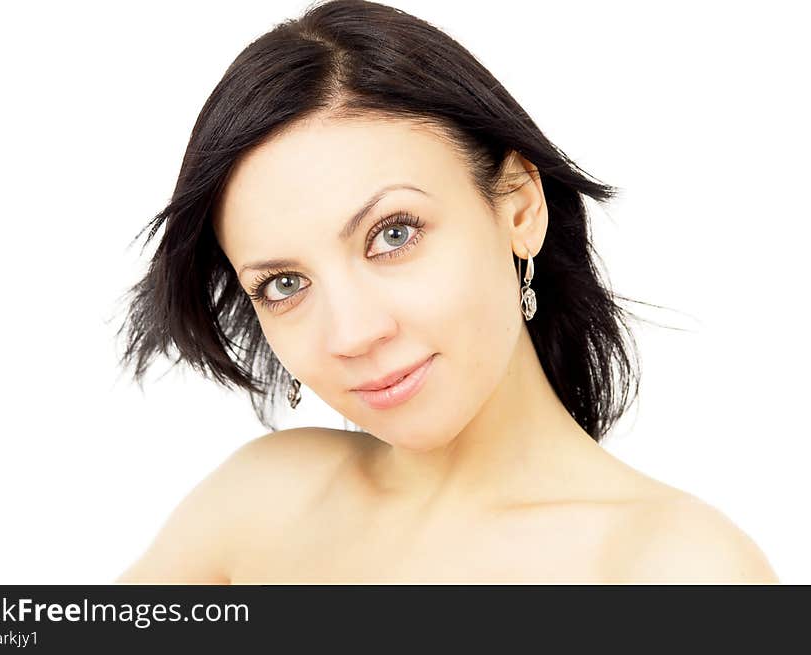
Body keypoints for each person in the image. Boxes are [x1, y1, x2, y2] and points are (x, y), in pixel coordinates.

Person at [114, 0, 778, 583]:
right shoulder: (260, 505)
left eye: (394, 234)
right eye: (284, 283)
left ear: (519, 206)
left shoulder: (678, 571)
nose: (352, 333)